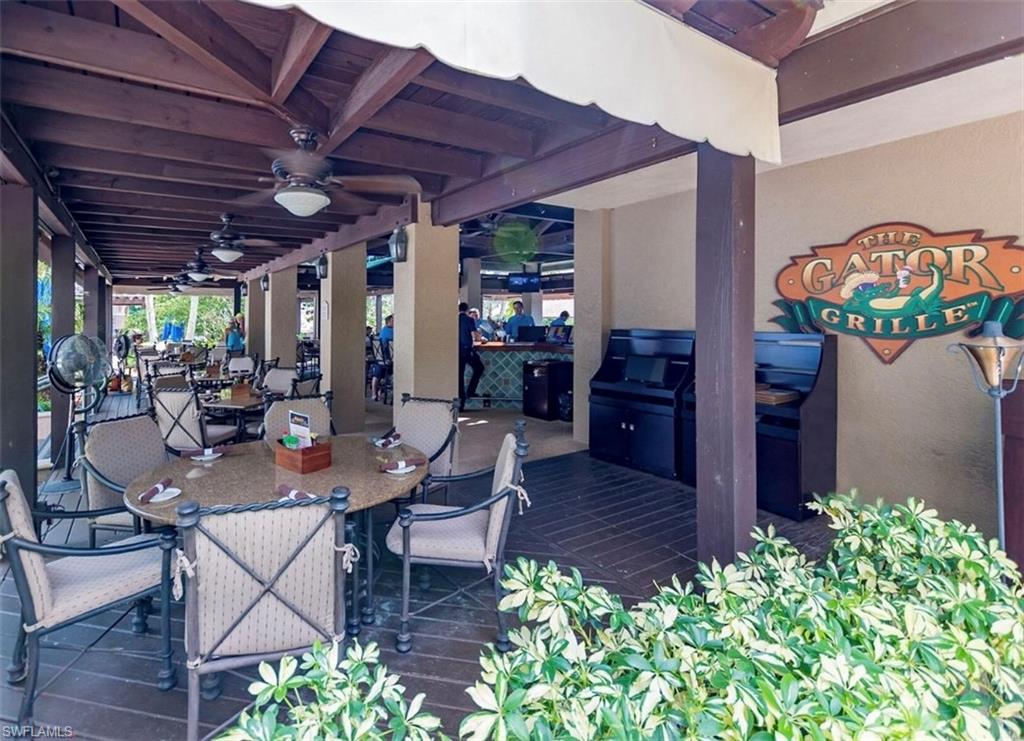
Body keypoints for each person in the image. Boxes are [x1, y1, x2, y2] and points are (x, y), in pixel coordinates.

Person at [458, 302, 485, 410]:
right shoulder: (469, 320)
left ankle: (460, 405)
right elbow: (476, 336)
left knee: (459, 376)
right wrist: (482, 339)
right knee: (479, 368)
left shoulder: (452, 319)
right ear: (467, 310)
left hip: (455, 351)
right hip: (467, 350)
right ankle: (470, 391)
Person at [370, 315, 394, 402]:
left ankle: (374, 393)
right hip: (388, 360)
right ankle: (382, 392)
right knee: (394, 370)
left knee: (376, 375)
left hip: (379, 359)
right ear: (389, 322)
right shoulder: (392, 331)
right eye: (393, 320)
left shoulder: (383, 330)